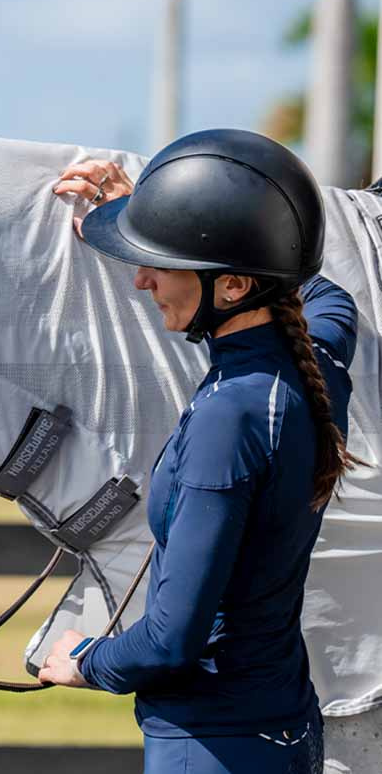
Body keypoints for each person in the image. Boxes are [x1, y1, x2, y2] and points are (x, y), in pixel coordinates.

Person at [38, 129, 359, 774]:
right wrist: (159, 215)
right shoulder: (312, 370)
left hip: (211, 747)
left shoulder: (228, 419)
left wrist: (85, 660)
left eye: (159, 260)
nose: (139, 280)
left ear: (235, 286)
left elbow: (169, 641)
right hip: (284, 729)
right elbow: (332, 299)